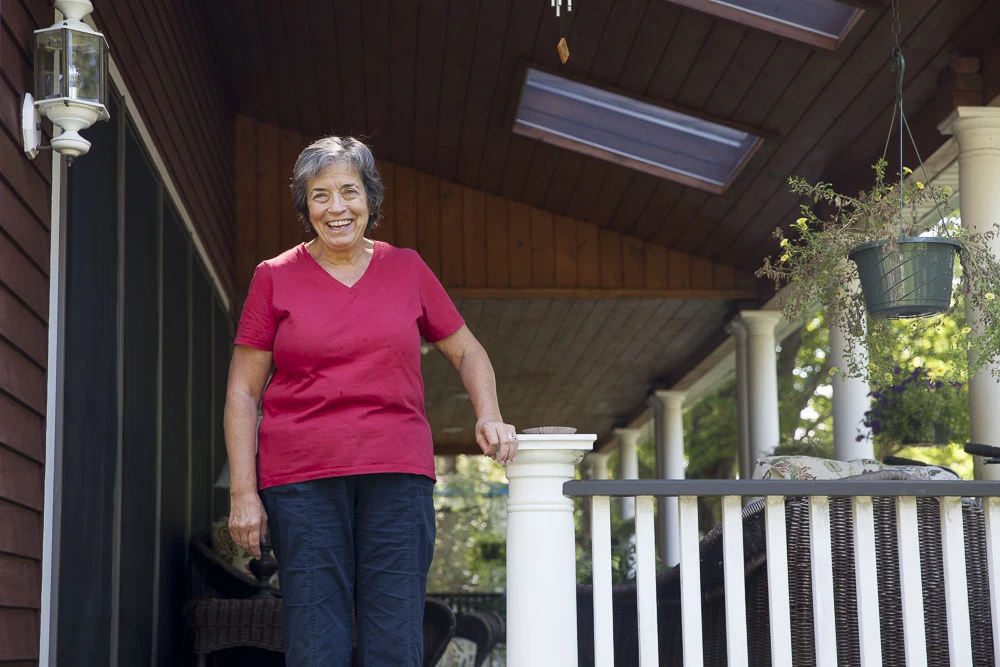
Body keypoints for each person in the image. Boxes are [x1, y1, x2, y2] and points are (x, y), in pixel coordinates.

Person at [224, 136, 518, 666]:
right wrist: (243, 492)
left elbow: (468, 351)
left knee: (394, 638)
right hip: (302, 478)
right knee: (316, 640)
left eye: (349, 192)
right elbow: (243, 392)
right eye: (320, 195)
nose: (336, 208)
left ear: (370, 199)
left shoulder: (406, 268)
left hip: (397, 473)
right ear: (304, 206)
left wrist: (489, 414)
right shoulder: (274, 277)